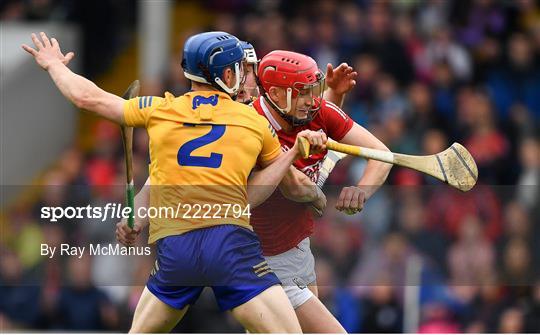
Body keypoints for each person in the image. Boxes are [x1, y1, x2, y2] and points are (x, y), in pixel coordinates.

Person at [23, 30, 328, 333]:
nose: (244, 75)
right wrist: (308, 178)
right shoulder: (253, 121)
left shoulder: (159, 110)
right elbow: (285, 187)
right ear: (224, 73)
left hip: (176, 249)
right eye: (239, 68)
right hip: (229, 245)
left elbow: (86, 97)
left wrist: (54, 65)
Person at [249, 50, 392, 332]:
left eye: (313, 90)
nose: (311, 101)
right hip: (265, 259)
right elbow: (298, 190)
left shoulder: (316, 110)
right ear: (275, 94)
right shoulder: (253, 126)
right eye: (301, 93)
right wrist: (319, 197)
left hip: (298, 246)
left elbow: (381, 154)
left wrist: (362, 190)